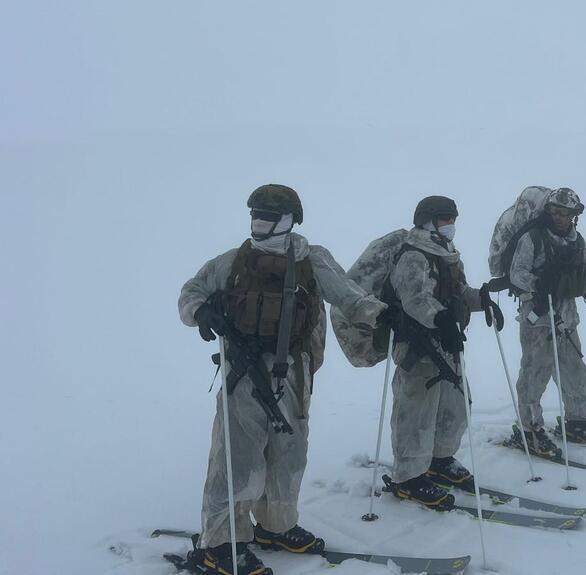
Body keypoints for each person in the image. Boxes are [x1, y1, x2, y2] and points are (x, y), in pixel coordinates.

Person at [178, 184, 387, 574]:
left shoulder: (312, 260)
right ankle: (221, 543)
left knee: (288, 455)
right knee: (237, 458)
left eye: (269, 216)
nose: (259, 222)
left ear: (291, 220)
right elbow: (190, 292)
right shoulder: (234, 262)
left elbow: (350, 297)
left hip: (295, 371)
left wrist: (382, 317)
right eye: (255, 214)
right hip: (244, 373)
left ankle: (276, 526)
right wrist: (201, 311)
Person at [382, 196, 501, 509]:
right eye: (444, 219)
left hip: (447, 343)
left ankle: (440, 458)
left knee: (456, 403)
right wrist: (440, 319)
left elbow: (458, 290)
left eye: (452, 219)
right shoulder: (413, 255)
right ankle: (408, 476)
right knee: (416, 410)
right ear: (427, 221)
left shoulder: (447, 254)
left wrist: (481, 300)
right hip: (417, 345)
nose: (450, 225)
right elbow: (414, 299)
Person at [506, 188, 586, 456]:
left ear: (574, 215)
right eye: (555, 212)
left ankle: (577, 422)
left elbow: (585, 270)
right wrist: (539, 285)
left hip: (567, 314)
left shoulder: (577, 240)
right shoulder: (532, 238)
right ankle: (529, 429)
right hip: (538, 315)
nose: (560, 218)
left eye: (566, 213)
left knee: (574, 369)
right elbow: (517, 273)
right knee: (535, 372)